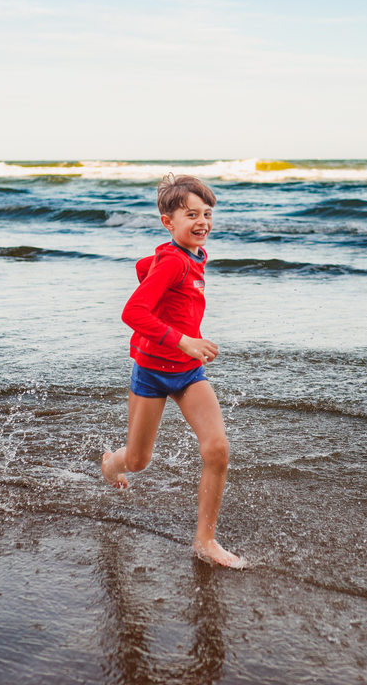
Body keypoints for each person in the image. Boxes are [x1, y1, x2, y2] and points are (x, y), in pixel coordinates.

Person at [101, 173, 245, 568]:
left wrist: (187, 345)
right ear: (168, 222)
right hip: (151, 371)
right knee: (136, 461)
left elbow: (147, 267)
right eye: (191, 215)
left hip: (187, 372)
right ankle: (109, 465)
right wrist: (184, 340)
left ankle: (205, 540)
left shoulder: (194, 256)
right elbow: (132, 311)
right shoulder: (173, 262)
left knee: (217, 448)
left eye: (207, 213)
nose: (202, 222)